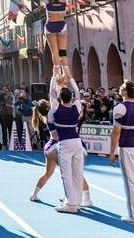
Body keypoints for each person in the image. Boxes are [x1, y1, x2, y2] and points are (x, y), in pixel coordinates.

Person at [15, 0, 85, 77]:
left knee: (54, 52)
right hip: (62, 26)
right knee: (62, 51)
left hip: (50, 26)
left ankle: (57, 71)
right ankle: (66, 71)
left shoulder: (47, 0)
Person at [30, 99, 92, 206]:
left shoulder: (52, 115)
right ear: (47, 107)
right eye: (48, 102)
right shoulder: (54, 114)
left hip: (50, 147)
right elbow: (58, 135)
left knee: (49, 173)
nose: (51, 102)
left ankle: (34, 194)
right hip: (61, 146)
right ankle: (85, 198)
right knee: (74, 173)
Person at [47, 68, 85, 213]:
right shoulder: (77, 107)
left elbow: (51, 93)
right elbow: (78, 93)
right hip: (77, 142)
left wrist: (54, 77)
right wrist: (70, 78)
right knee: (78, 173)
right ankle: (77, 201)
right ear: (71, 97)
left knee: (66, 174)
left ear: (60, 98)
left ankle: (71, 204)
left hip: (65, 143)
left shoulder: (56, 108)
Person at [109, 80, 134, 225]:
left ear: (125, 92)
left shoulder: (120, 108)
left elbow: (116, 132)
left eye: (122, 88)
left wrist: (112, 152)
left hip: (128, 147)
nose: (120, 89)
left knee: (131, 182)